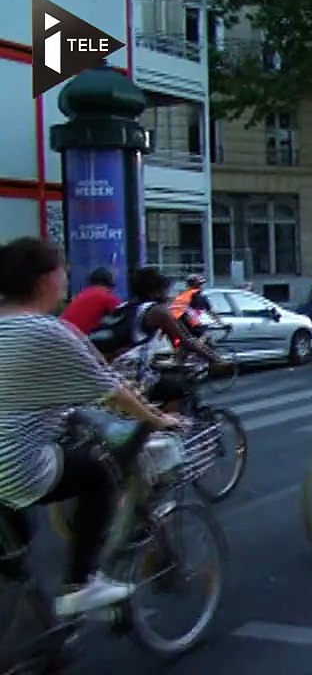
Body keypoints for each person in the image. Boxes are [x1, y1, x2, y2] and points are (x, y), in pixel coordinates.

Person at [0, 238, 182, 616]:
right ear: (43, 282)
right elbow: (113, 392)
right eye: (61, 271)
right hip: (14, 466)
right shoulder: (48, 331)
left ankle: (26, 611)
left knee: (19, 543)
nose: (66, 278)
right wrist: (158, 418)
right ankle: (81, 583)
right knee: (99, 471)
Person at [97, 267, 224, 413]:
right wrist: (216, 359)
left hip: (109, 374)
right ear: (156, 292)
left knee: (162, 384)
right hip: (132, 378)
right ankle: (169, 429)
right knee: (178, 389)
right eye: (166, 290)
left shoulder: (124, 307)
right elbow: (186, 340)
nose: (169, 295)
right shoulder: (157, 311)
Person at [61, 266, 121, 336]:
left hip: (62, 333)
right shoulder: (106, 296)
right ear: (110, 282)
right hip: (75, 339)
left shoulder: (84, 293)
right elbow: (124, 313)